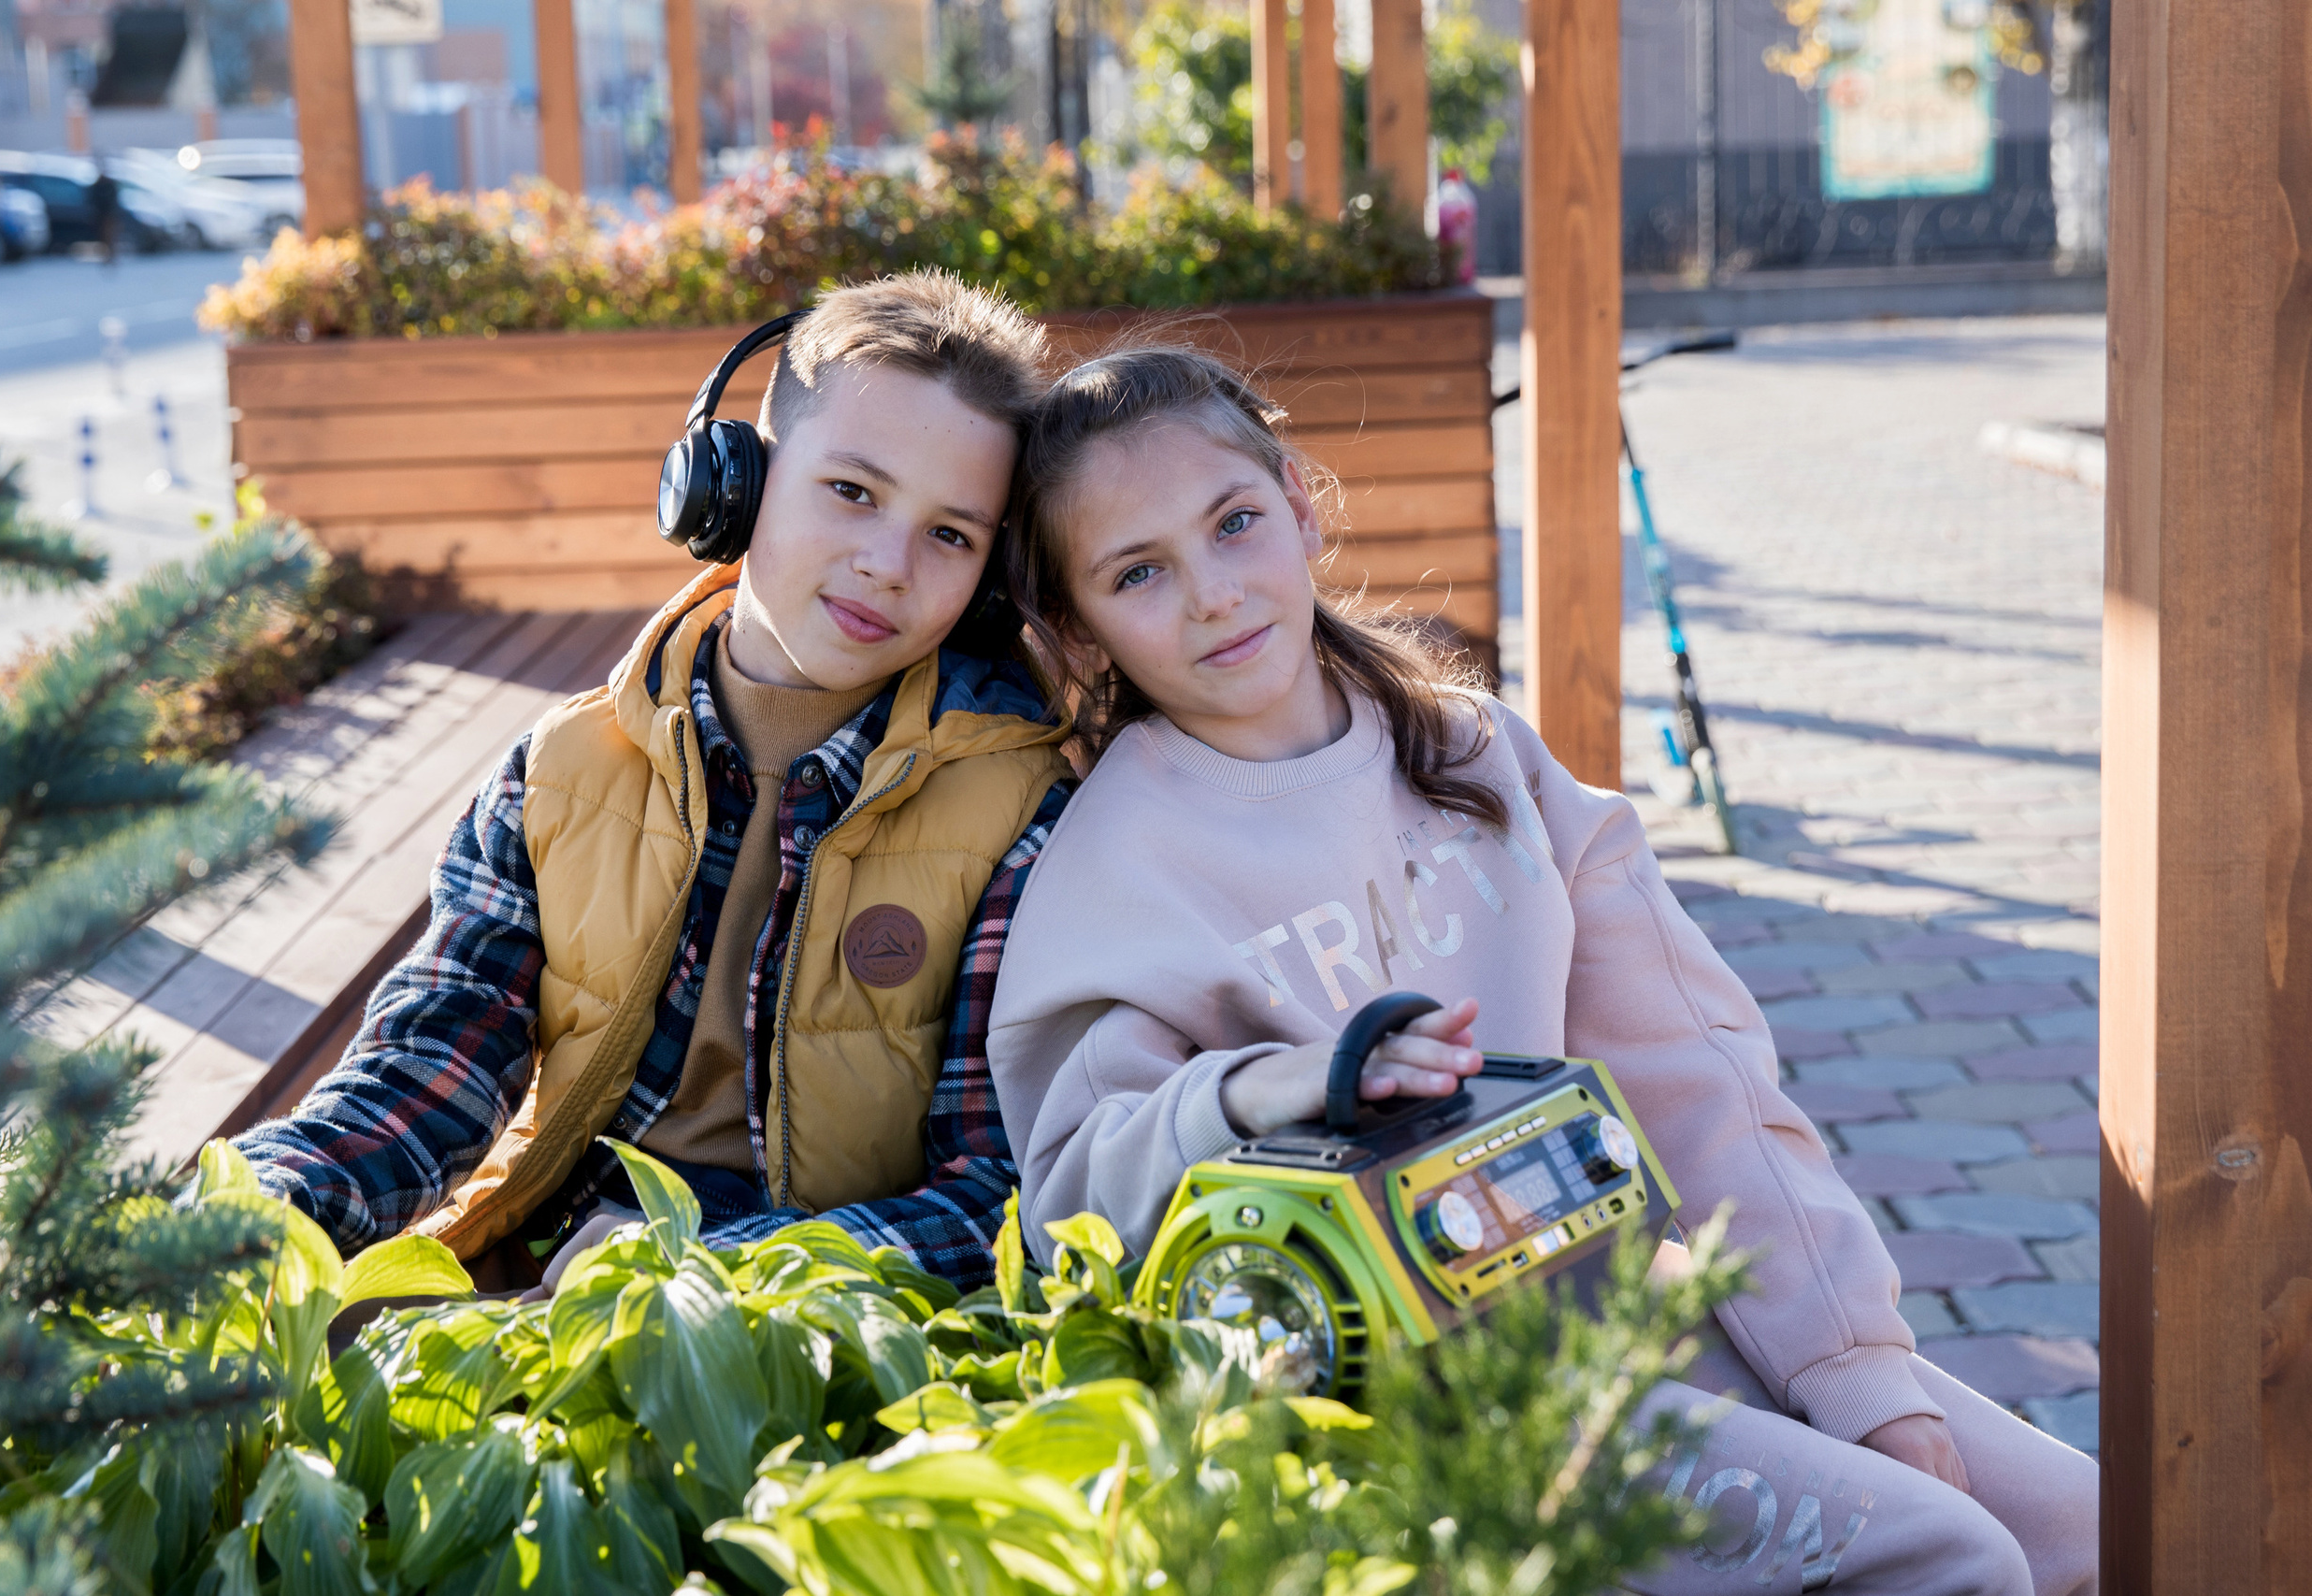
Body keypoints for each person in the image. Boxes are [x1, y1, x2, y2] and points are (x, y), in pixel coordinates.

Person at [984, 346, 2096, 1596]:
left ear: (1298, 502)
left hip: (1627, 1304)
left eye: (1234, 522)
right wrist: (1257, 1091)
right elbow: (1073, 1196)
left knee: (2089, 1526)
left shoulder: (1476, 752)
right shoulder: (1112, 869)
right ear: (1079, 625)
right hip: (1420, 1401)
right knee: (1952, 1554)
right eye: (1140, 572)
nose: (1211, 594)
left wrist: (1861, 1375)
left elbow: (1706, 1089)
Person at [236, 270, 1074, 1294]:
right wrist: (259, 1208)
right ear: (735, 490)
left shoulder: (1018, 814)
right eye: (851, 492)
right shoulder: (559, 774)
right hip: (550, 1266)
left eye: (951, 534)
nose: (889, 564)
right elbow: (426, 1073)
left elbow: (999, 1192)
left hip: (824, 1310)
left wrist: (711, 1267)